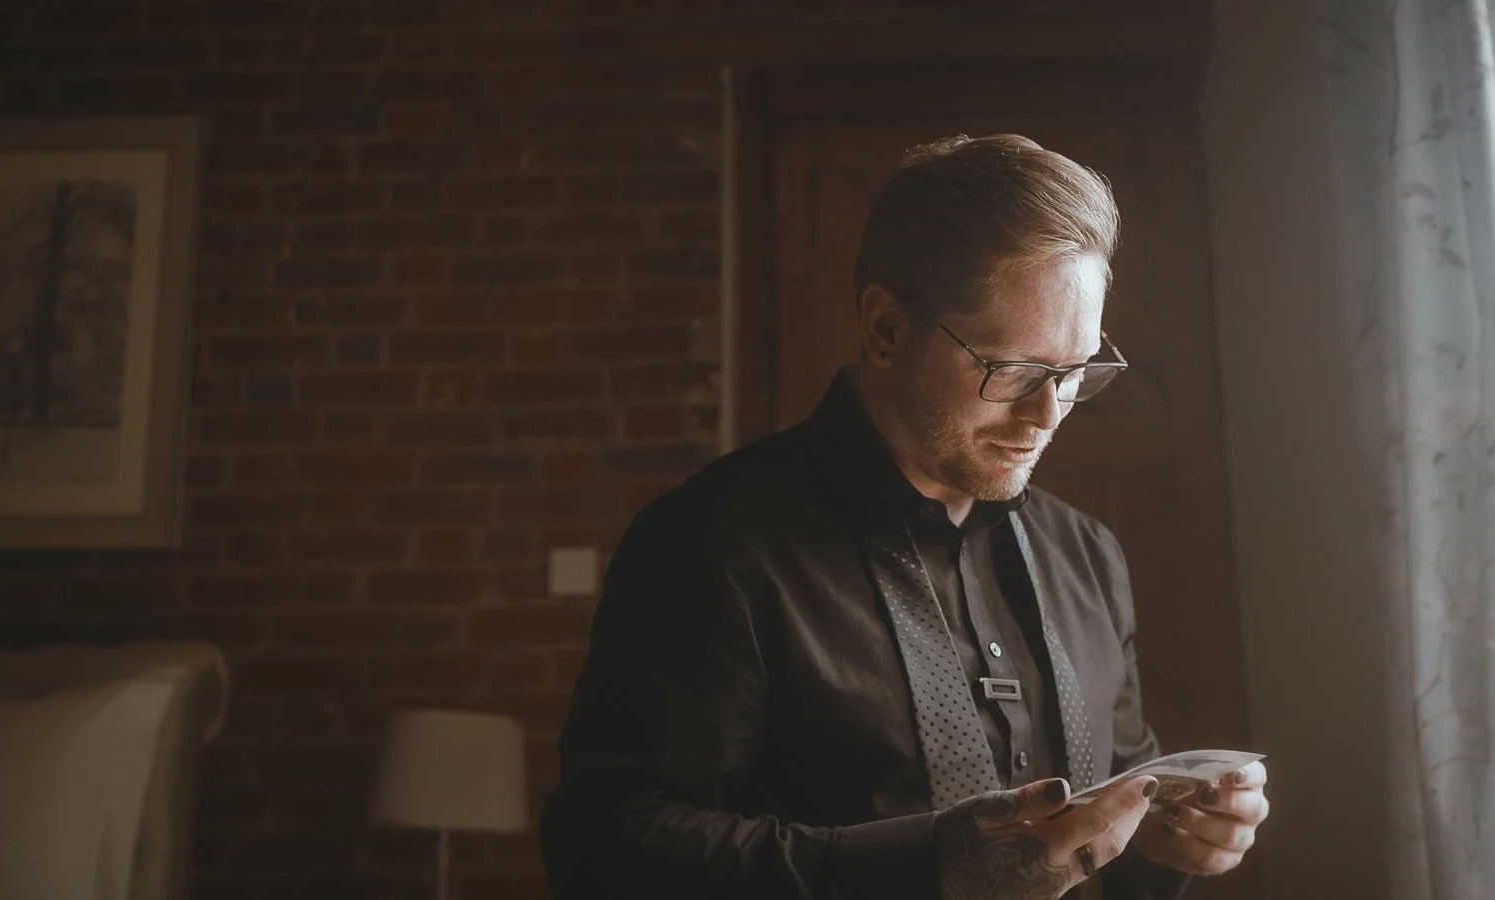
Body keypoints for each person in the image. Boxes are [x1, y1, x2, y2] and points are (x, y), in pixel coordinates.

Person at [539, 133, 1269, 900]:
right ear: (886, 330)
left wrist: (1170, 840)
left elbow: (1110, 829)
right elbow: (605, 849)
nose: (1048, 413)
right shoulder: (710, 543)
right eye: (1012, 369)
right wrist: (929, 871)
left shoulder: (1088, 555)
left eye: (1076, 370)